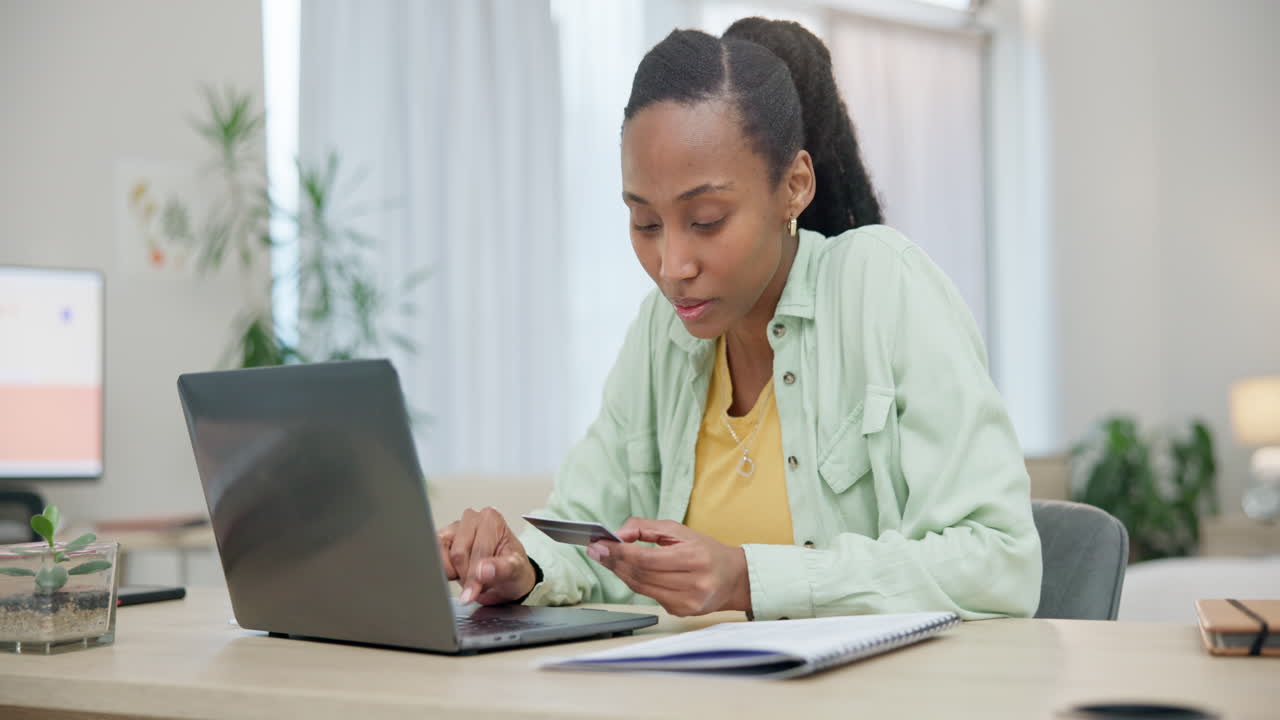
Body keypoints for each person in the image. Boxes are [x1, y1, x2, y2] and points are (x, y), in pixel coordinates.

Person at [437, 18, 1042, 620]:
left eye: (706, 220)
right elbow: (586, 536)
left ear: (794, 187)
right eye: (645, 223)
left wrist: (749, 579)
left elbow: (998, 562)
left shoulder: (881, 285)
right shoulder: (662, 333)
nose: (672, 266)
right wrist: (523, 566)